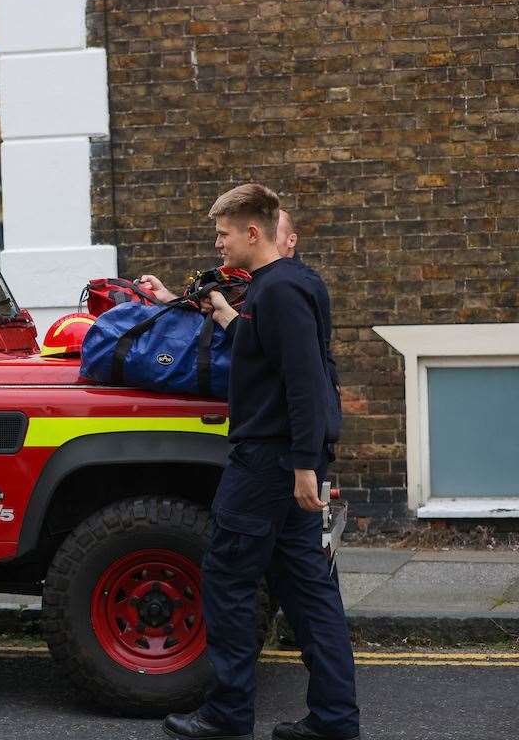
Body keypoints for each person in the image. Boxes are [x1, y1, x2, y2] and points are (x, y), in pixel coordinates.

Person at [160, 184, 358, 740]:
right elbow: (264, 349)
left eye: (223, 235)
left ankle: (226, 715)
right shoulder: (286, 285)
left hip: (268, 463)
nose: (218, 246)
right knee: (305, 589)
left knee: (227, 579)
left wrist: (302, 465)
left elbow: (303, 381)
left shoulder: (279, 292)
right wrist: (223, 312)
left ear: (253, 232)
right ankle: (334, 722)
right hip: (283, 462)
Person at [138, 208, 299, 303]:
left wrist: (225, 315)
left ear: (291, 240)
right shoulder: (250, 278)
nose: (218, 244)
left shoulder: (292, 286)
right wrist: (169, 297)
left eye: (272, 236)